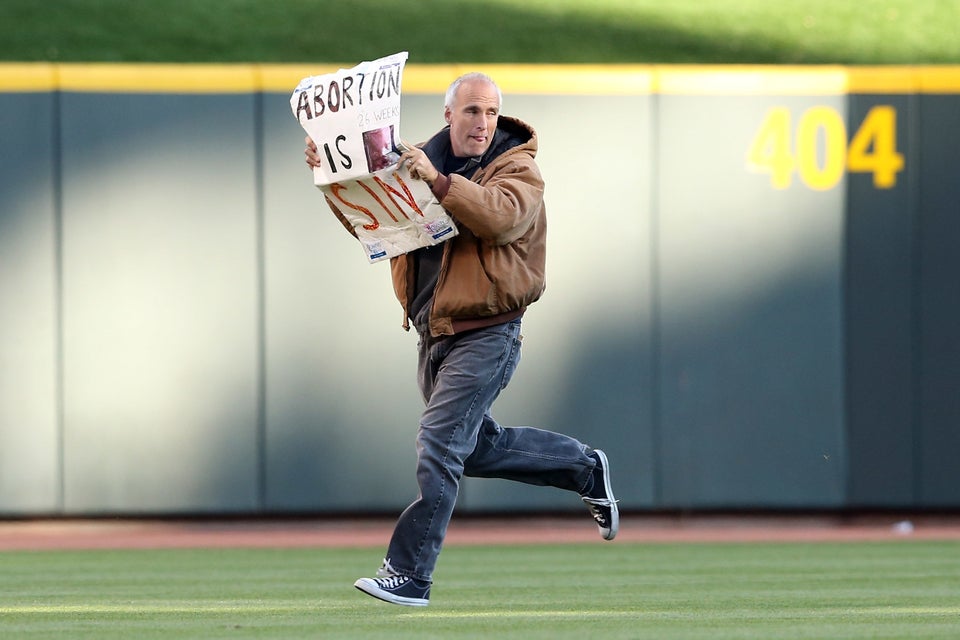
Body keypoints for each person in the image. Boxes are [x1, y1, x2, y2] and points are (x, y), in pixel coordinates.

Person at [304, 72, 618, 607]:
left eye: (491, 112)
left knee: (438, 445)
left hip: (489, 332)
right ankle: (583, 467)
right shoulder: (416, 159)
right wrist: (334, 181)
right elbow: (375, 225)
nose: (483, 122)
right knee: (469, 449)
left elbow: (501, 218)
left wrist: (439, 182)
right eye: (472, 111)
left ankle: (410, 574)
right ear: (449, 114)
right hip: (433, 334)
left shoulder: (517, 166)